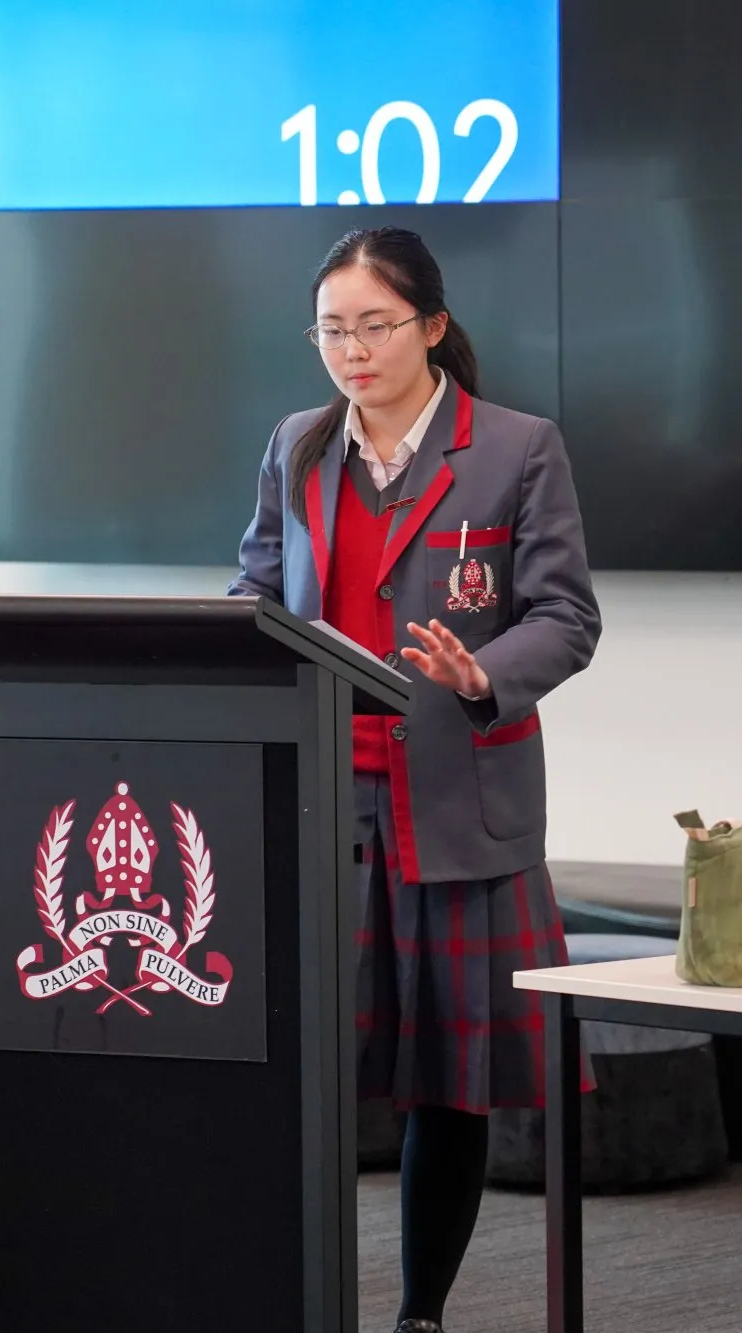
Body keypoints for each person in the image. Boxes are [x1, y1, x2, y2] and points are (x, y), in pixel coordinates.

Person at [230, 225, 600, 1333]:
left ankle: (419, 1313)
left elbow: (566, 617)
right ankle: (292, 1291)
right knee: (299, 1067)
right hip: (315, 798)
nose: (351, 349)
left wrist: (482, 669)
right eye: (331, 328)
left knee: (449, 1078)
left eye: (374, 325)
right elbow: (254, 588)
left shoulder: (516, 447)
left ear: (431, 326)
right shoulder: (298, 444)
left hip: (454, 802)